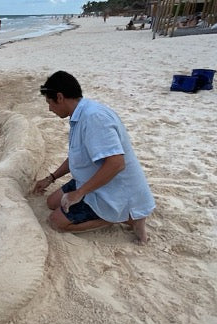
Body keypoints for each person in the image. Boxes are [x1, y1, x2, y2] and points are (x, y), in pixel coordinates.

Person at [32, 71, 154, 243]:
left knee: (56, 222)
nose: (50, 109)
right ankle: (118, 214)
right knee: (52, 202)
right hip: (91, 178)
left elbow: (117, 163)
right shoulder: (80, 114)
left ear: (60, 97)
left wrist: (79, 193)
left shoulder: (94, 118)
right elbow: (77, 156)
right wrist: (51, 178)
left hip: (113, 189)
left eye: (49, 103)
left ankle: (125, 217)